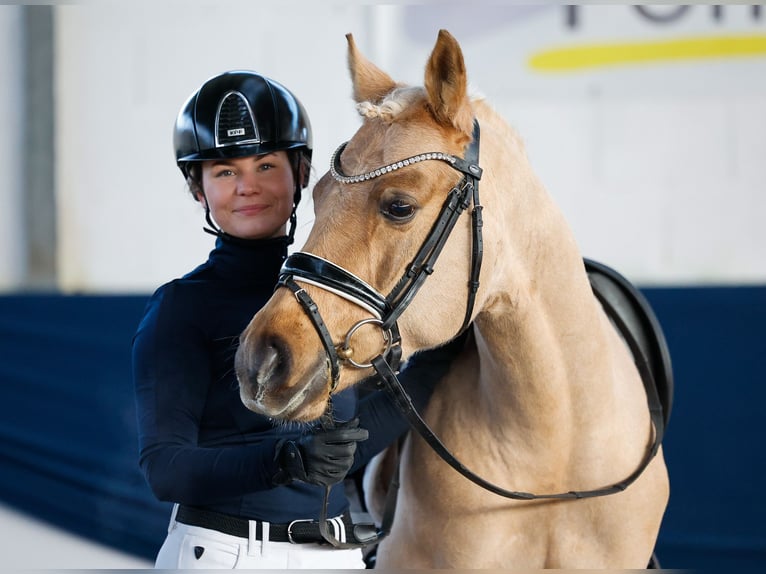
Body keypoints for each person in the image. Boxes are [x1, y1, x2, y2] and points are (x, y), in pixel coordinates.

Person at [132, 70, 459, 569]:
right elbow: (165, 468)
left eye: (265, 165)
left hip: (336, 553)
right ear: (198, 189)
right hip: (229, 555)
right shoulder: (180, 306)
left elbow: (346, 440)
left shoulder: (334, 299)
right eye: (224, 171)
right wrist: (285, 462)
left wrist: (436, 368)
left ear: (301, 172)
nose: (247, 186)